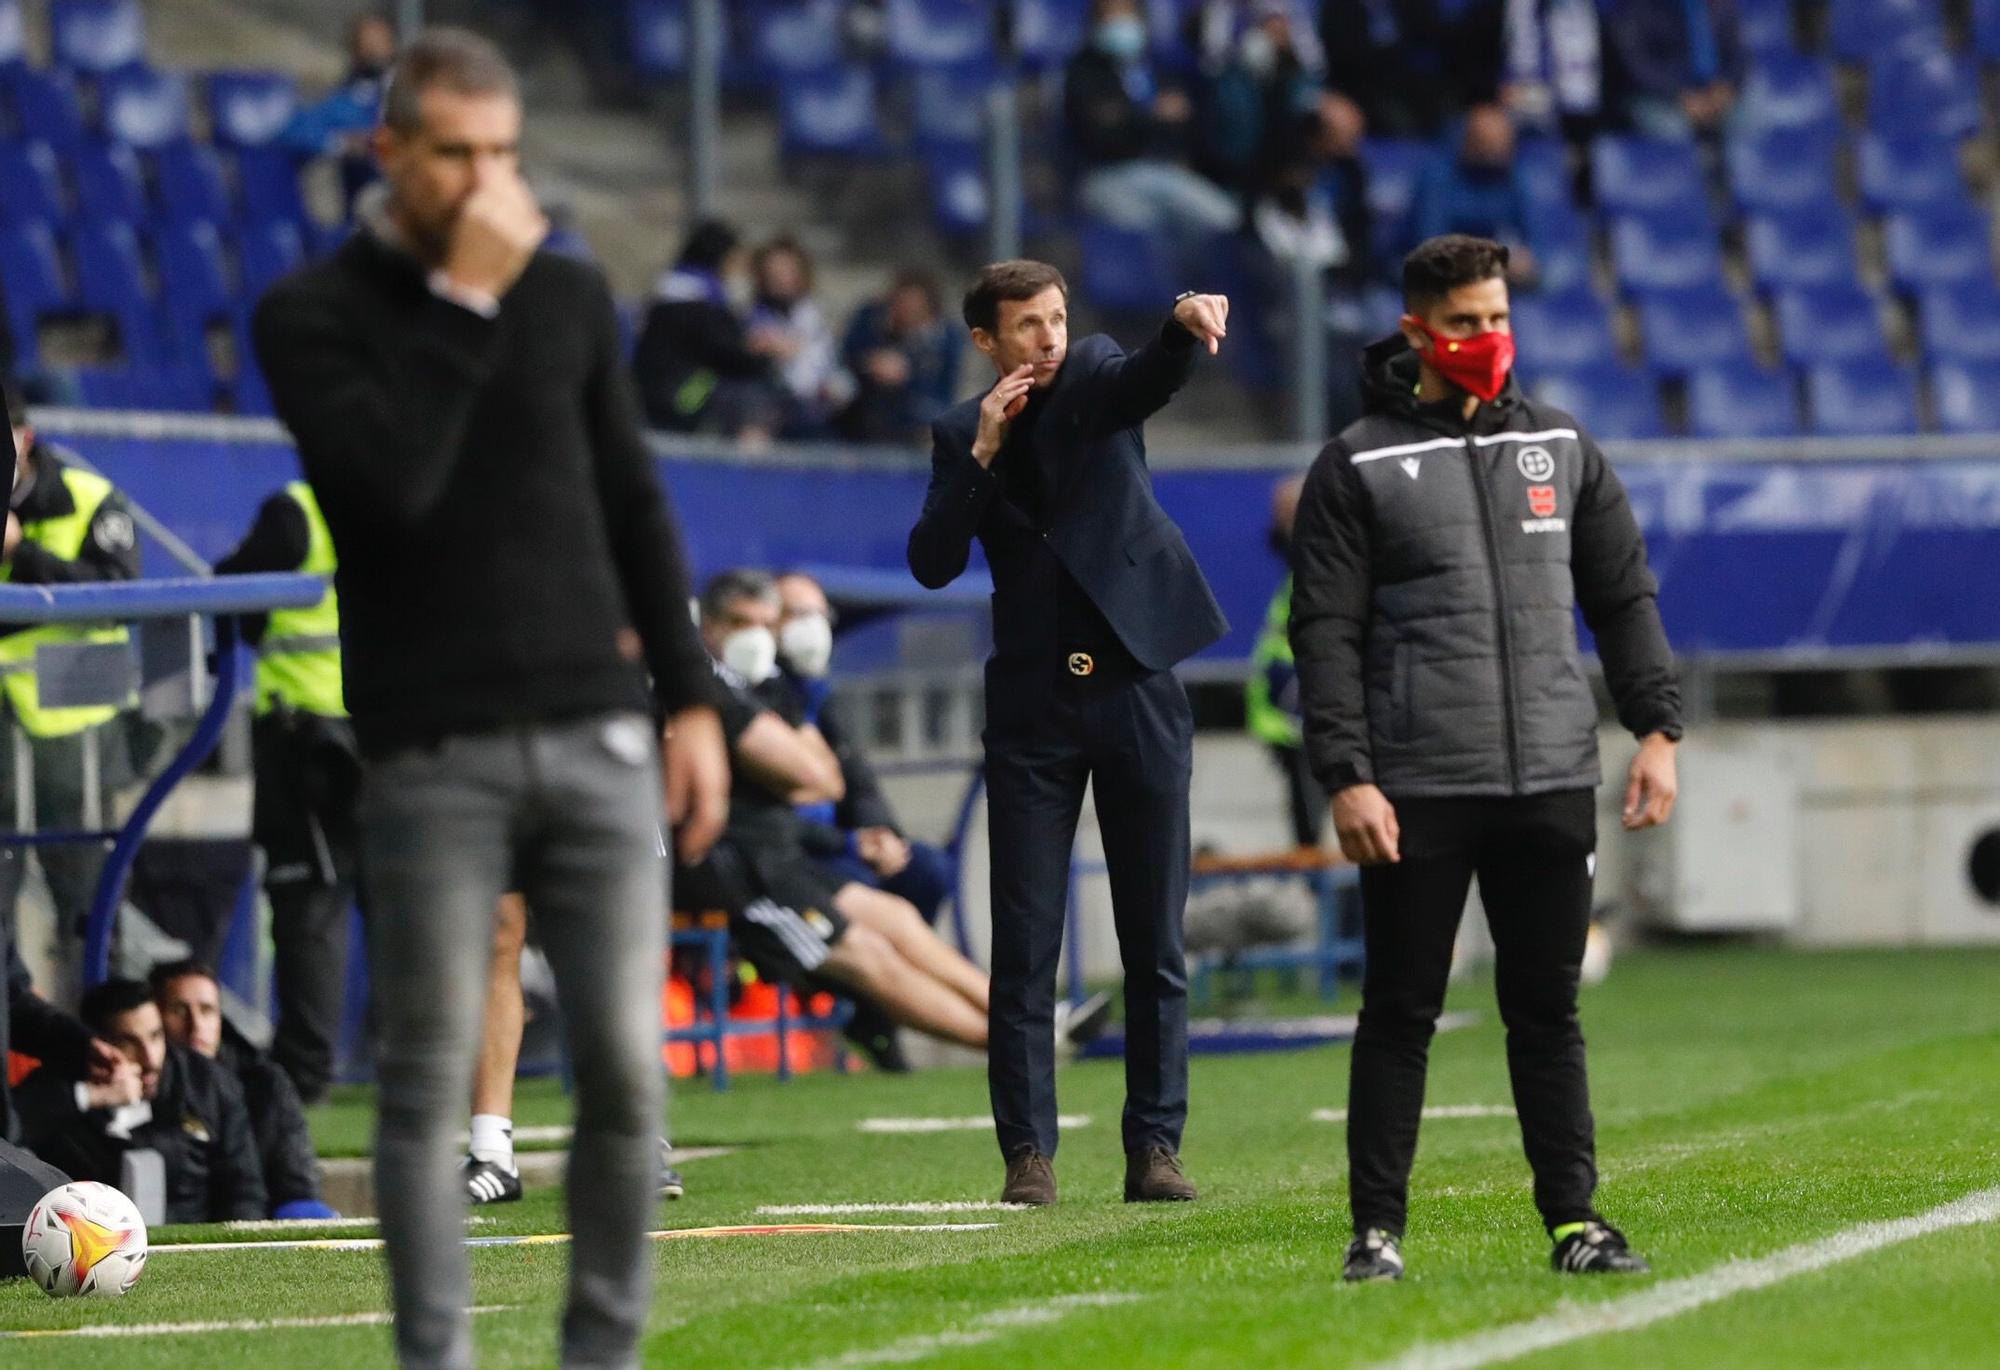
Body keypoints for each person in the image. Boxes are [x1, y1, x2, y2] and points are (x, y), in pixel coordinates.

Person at [251, 29, 729, 1370]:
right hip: (429, 739)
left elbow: (634, 499)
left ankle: (601, 1354)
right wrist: (467, 296)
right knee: (422, 1077)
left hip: (598, 719)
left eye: (505, 154)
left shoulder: (567, 298)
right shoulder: (312, 314)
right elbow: (391, 485)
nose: (484, 181)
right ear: (388, 150)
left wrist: (690, 700)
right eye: (454, 153)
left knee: (629, 1068)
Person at [1287, 234, 1681, 1282]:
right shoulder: (1356, 461)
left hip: (1551, 774)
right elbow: (1320, 633)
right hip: (1415, 785)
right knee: (1400, 1012)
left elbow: (1622, 598)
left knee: (1546, 1012)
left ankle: (1574, 1220)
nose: (1486, 339)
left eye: (1497, 319)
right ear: (1417, 329)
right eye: (1465, 323)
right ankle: (1374, 1232)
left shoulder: (1559, 443)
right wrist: (1347, 773)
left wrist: (1656, 730)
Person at [907, 261, 1231, 1207]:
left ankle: (1156, 1148)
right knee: (1025, 941)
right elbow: (932, 562)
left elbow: (1150, 376)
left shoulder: (1092, 373)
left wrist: (1180, 324)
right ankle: (1028, 1158)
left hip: (1136, 682)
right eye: (1025, 326)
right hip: (1034, 707)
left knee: (1152, 937)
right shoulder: (958, 434)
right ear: (985, 341)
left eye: (1054, 318)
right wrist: (981, 452)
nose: (1046, 338)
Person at [680, 571, 1003, 1065]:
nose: (756, 637)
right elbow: (812, 773)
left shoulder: (769, 684)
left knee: (897, 916)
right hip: (736, 865)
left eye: (767, 624)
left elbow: (829, 779)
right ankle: (1015, 1048)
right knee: (867, 954)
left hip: (782, 856)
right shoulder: (708, 683)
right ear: (711, 625)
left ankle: (1025, 1022)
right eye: (742, 623)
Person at [213, 482, 358, 1106]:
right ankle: (434, 1068)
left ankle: (304, 1080)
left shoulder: (297, 511)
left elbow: (229, 587)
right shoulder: (416, 493)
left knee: (309, 913)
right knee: (412, 912)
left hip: (309, 745)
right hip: (397, 736)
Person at [0, 380, 142, 984]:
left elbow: (119, 598)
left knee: (91, 925)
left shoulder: (89, 499)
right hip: (6, 749)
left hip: (78, 747)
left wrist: (19, 552)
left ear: (24, 439)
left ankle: (113, 1062)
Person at [772, 571, 955, 930]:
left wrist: (881, 834)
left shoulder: (821, 693)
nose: (812, 628)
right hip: (800, 853)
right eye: (798, 614)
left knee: (927, 868)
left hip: (848, 845)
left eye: (819, 616)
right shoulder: (757, 695)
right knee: (867, 892)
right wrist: (852, 844)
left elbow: (859, 781)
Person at [15, 977, 267, 1223]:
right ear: (99, 1047)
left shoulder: (207, 1084)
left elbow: (244, 1189)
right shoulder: (56, 1086)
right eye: (129, 1042)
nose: (150, 1059)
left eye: (155, 1036)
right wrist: (89, 1096)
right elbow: (11, 1138)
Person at [151, 959, 335, 1220]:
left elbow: (296, 1182)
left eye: (207, 1010)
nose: (196, 1024)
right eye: (179, 1010)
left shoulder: (265, 1083)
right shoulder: (142, 1085)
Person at [1064, 0, 1241, 249]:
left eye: (1126, 14)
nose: (1120, 23)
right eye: (1111, 15)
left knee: (1226, 219)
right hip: (1106, 176)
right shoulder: (1084, 70)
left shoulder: (1153, 64)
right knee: (1146, 233)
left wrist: (1133, 118)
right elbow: (1100, 137)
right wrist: (1151, 115)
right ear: (1095, 22)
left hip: (1163, 170)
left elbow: (1181, 119)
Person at [632, 219, 789, 441]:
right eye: (736, 262)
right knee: (751, 393)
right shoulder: (695, 301)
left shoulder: (673, 290)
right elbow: (729, 356)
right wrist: (767, 354)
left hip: (658, 392)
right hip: (679, 396)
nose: (740, 272)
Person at [1246, 475, 1324, 847]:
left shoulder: (1324, 571)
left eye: (1290, 512)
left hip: (1315, 729)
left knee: (1325, 848)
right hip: (1294, 731)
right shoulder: (1296, 572)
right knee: (1308, 844)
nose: (1280, 520)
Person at [280, 11, 400, 215]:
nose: (374, 52)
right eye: (366, 46)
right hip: (373, 198)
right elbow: (294, 132)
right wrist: (345, 143)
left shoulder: (414, 90)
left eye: (380, 43)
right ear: (354, 51)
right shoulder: (347, 100)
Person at [1409, 104, 1537, 281]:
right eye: (1487, 143)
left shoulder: (1513, 178)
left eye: (1502, 144)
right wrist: (1492, 263)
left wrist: (1524, 259)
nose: (1495, 152)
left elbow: (1531, 237)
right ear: (1468, 141)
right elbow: (1431, 249)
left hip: (1487, 277)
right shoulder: (1437, 179)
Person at [837, 270, 963, 445]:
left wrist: (907, 375)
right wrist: (870, 361)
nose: (907, 311)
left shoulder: (944, 337)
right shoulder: (871, 321)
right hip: (867, 413)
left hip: (916, 415)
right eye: (902, 304)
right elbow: (848, 354)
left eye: (914, 306)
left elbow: (940, 389)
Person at [746, 235, 852, 438]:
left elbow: (833, 371)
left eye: (785, 270)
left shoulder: (818, 315)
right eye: (772, 270)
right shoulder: (753, 317)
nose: (778, 277)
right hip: (775, 408)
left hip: (819, 413)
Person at [1599, 0, 1741, 141]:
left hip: (1716, 91)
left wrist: (1725, 86)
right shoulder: (1637, 8)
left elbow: (1739, 53)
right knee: (1674, 128)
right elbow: (1639, 65)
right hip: (1655, 95)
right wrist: (1680, 93)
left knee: (1755, 115)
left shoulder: (1720, 5)